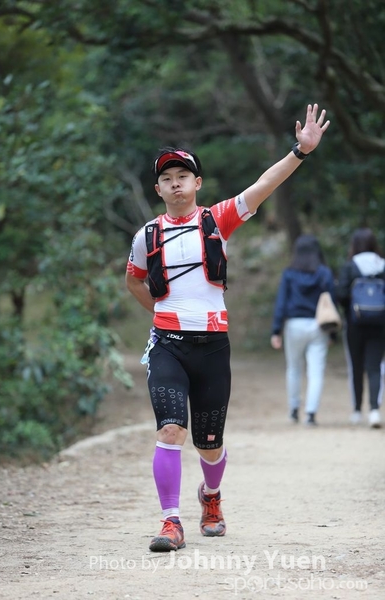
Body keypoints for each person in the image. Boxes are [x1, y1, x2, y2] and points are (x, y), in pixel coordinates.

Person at [125, 104, 330, 552]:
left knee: (209, 443)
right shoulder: (146, 236)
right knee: (170, 430)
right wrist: (161, 313)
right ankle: (170, 522)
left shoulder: (216, 219)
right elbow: (134, 280)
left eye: (183, 175)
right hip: (167, 345)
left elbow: (263, 185)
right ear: (158, 189)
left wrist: (300, 151)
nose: (175, 183)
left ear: (197, 183)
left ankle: (211, 496)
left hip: (213, 346)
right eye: (166, 178)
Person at [270, 235, 336, 426]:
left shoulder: (289, 273)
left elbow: (281, 302)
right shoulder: (324, 273)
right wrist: (332, 333)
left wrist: (276, 331)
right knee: (316, 371)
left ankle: (293, 410)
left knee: (293, 368)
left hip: (294, 325)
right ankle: (311, 414)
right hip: (318, 326)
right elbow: (331, 304)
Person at [336, 228, 385, 428]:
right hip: (380, 324)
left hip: (355, 324)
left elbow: (341, 294)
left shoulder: (350, 266)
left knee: (356, 367)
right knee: (374, 367)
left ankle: (357, 410)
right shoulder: (382, 265)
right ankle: (374, 410)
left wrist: (351, 308)